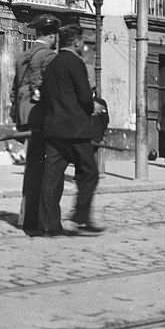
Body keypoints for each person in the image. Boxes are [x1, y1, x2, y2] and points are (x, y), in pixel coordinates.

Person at [37, 24, 99, 236]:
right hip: (76, 130)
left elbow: (45, 97)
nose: (83, 45)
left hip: (53, 131)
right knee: (89, 172)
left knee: (52, 178)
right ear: (75, 42)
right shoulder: (76, 63)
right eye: (82, 41)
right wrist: (93, 106)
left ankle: (50, 225)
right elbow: (84, 96)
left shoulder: (52, 64)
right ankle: (80, 216)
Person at [11, 13, 60, 233]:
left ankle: (25, 216)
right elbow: (48, 88)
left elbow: (15, 89)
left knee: (32, 166)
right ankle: (40, 219)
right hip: (41, 115)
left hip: (24, 114)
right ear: (52, 35)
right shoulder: (48, 56)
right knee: (47, 169)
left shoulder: (23, 55)